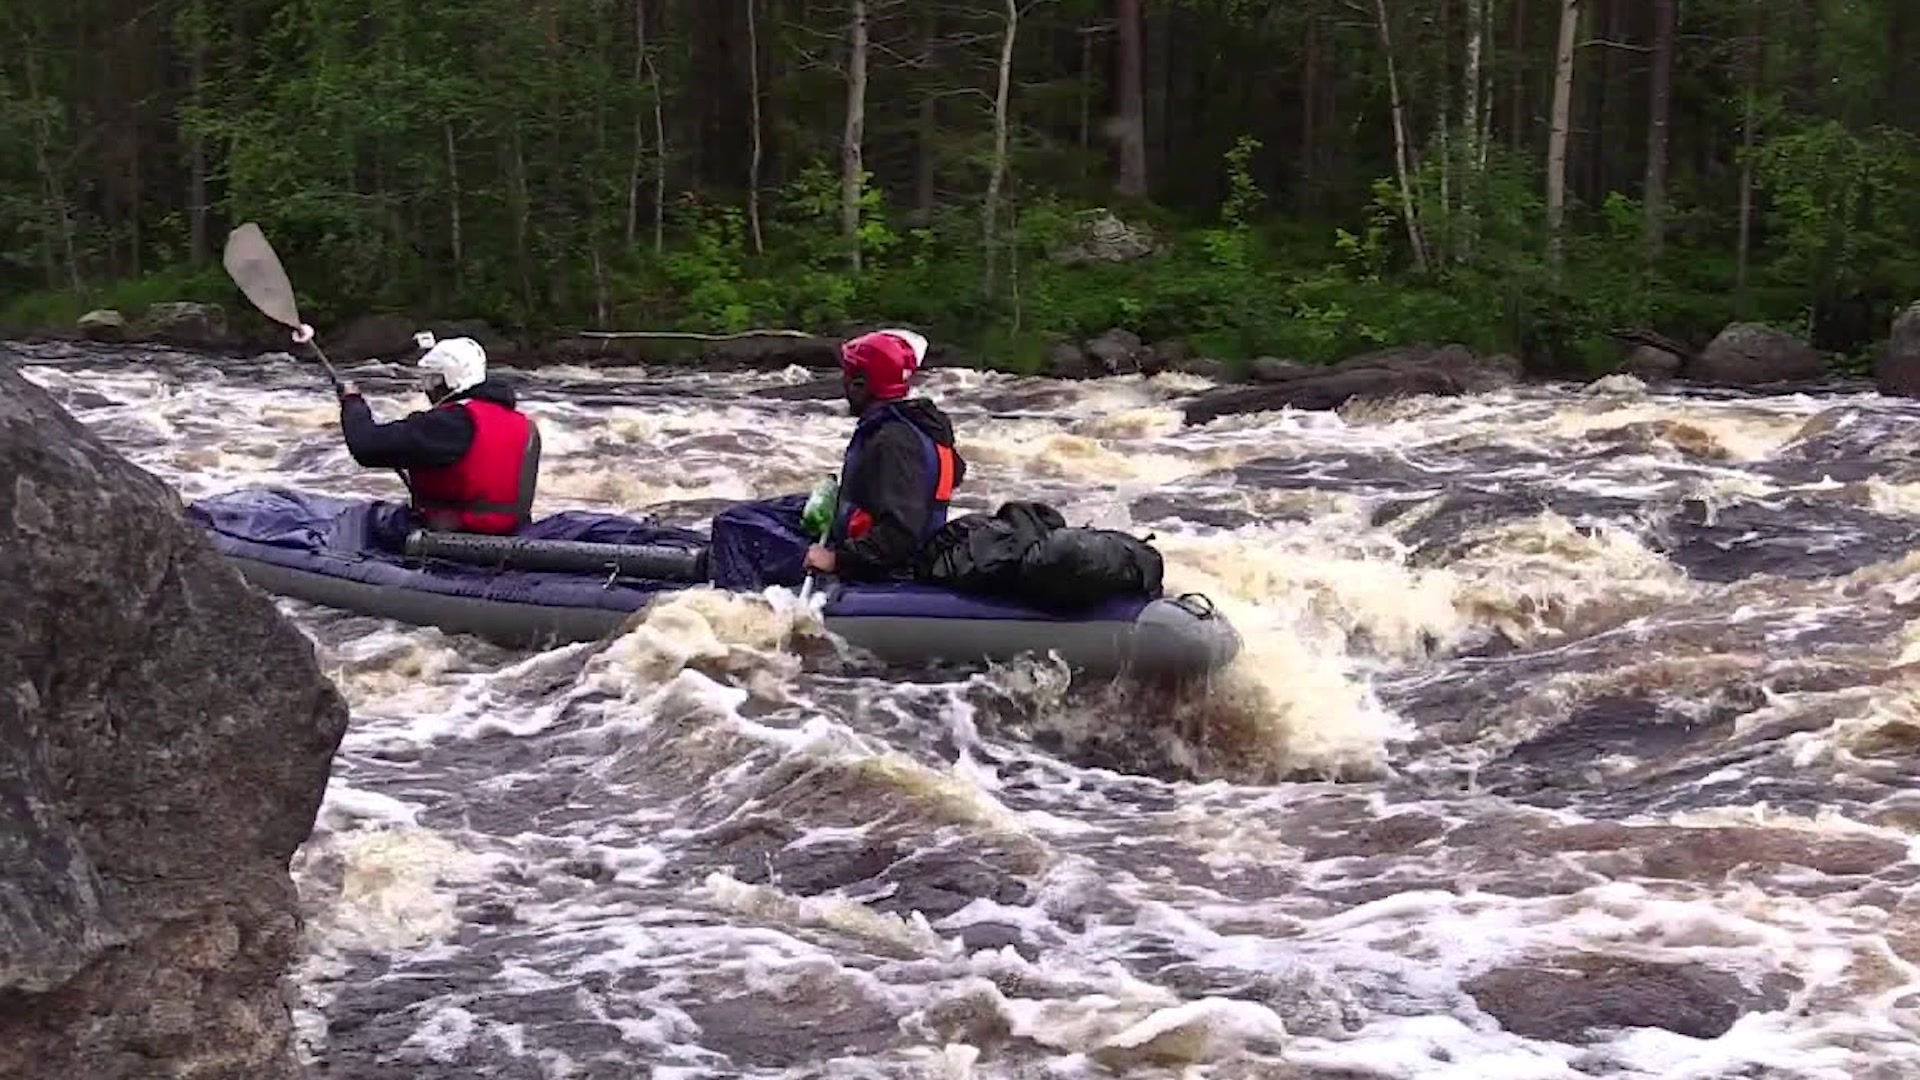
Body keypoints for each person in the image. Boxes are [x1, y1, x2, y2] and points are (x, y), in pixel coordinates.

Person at [337, 332, 542, 535]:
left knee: (362, 521)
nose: (427, 389)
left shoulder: (451, 421)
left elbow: (365, 446)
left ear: (449, 379)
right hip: (512, 536)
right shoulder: (525, 425)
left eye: (431, 380)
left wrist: (352, 402)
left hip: (451, 539)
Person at [804, 328, 966, 581]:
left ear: (860, 384)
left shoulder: (894, 442)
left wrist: (837, 559)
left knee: (738, 526)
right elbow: (950, 475)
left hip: (889, 567)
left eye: (847, 376)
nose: (843, 383)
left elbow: (901, 534)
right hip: (886, 549)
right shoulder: (922, 425)